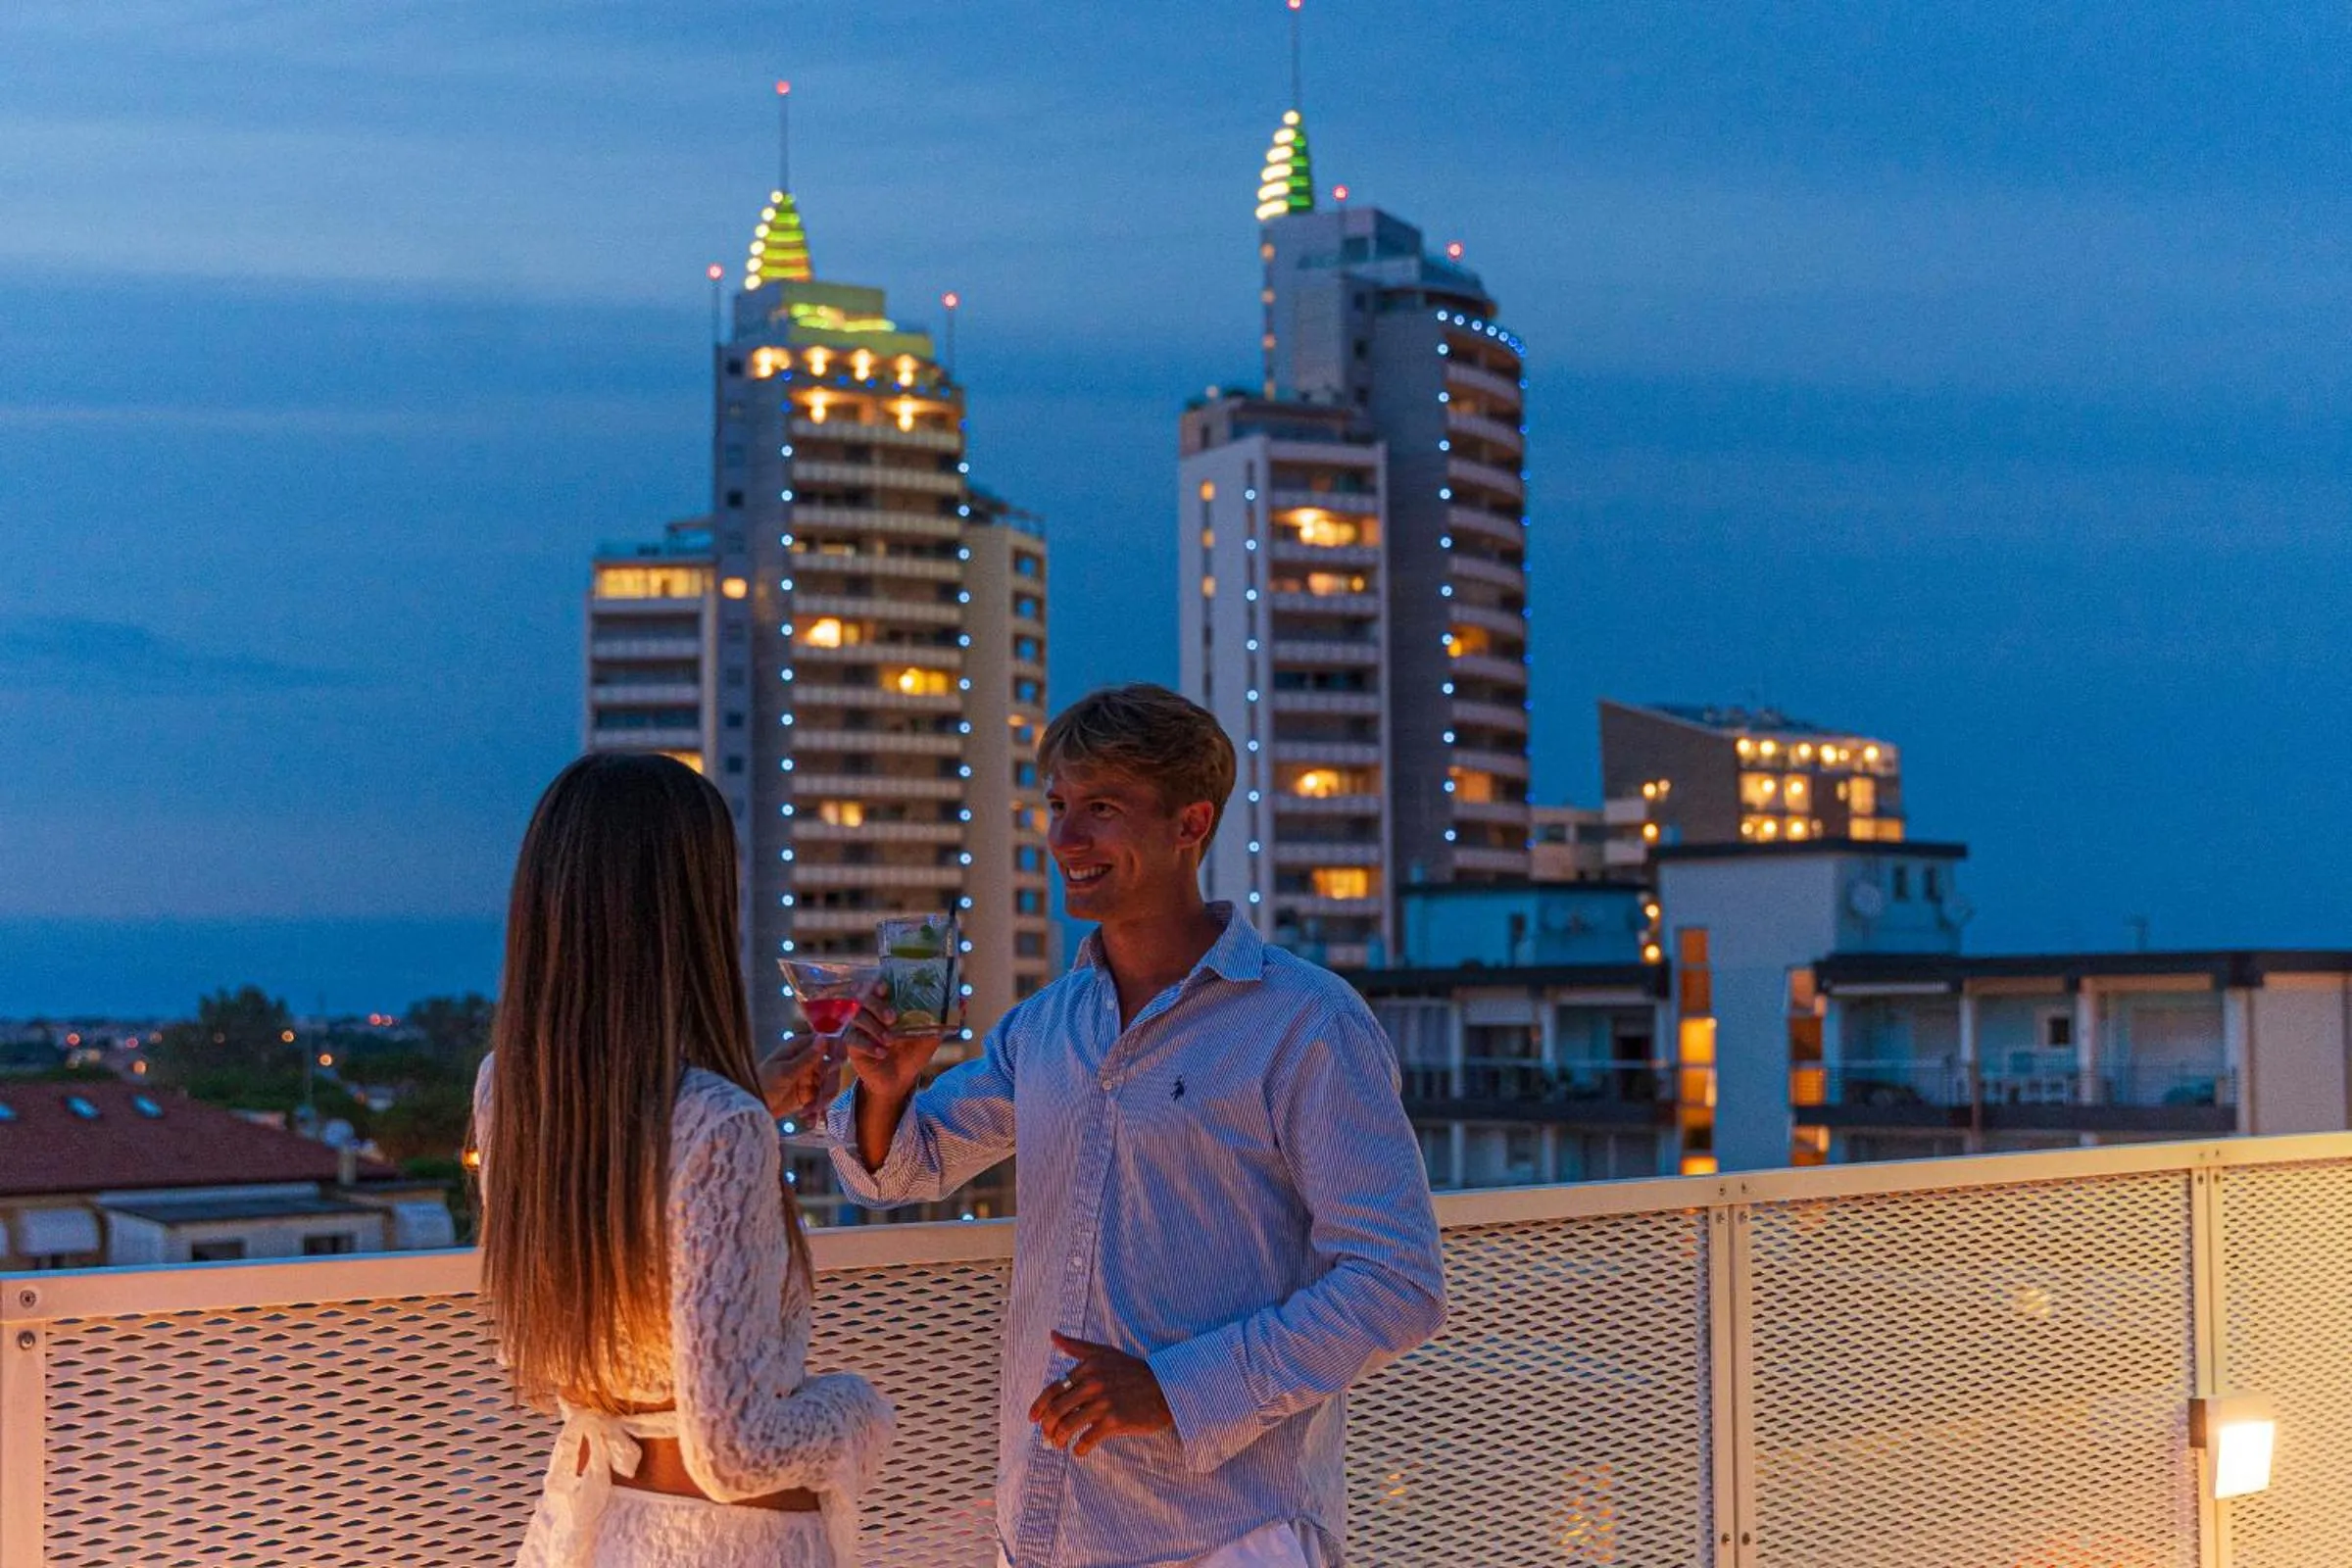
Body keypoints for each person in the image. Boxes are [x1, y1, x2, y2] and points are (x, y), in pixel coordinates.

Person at [826, 684, 1446, 1567]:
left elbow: (1397, 1282)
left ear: (1190, 824)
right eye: (1058, 807)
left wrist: (1177, 1387)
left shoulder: (1308, 1023)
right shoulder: (1047, 1027)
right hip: (1041, 1529)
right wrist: (886, 1091)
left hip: (1225, 1535)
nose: (1066, 840)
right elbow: (903, 1171)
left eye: (1102, 810)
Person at [472, 754, 894, 1568]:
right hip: (736, 1543)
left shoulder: (512, 1090)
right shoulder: (716, 1126)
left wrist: (742, 1100)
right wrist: (861, 1409)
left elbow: (627, 1182)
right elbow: (736, 1453)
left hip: (599, 1532)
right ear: (688, 907)